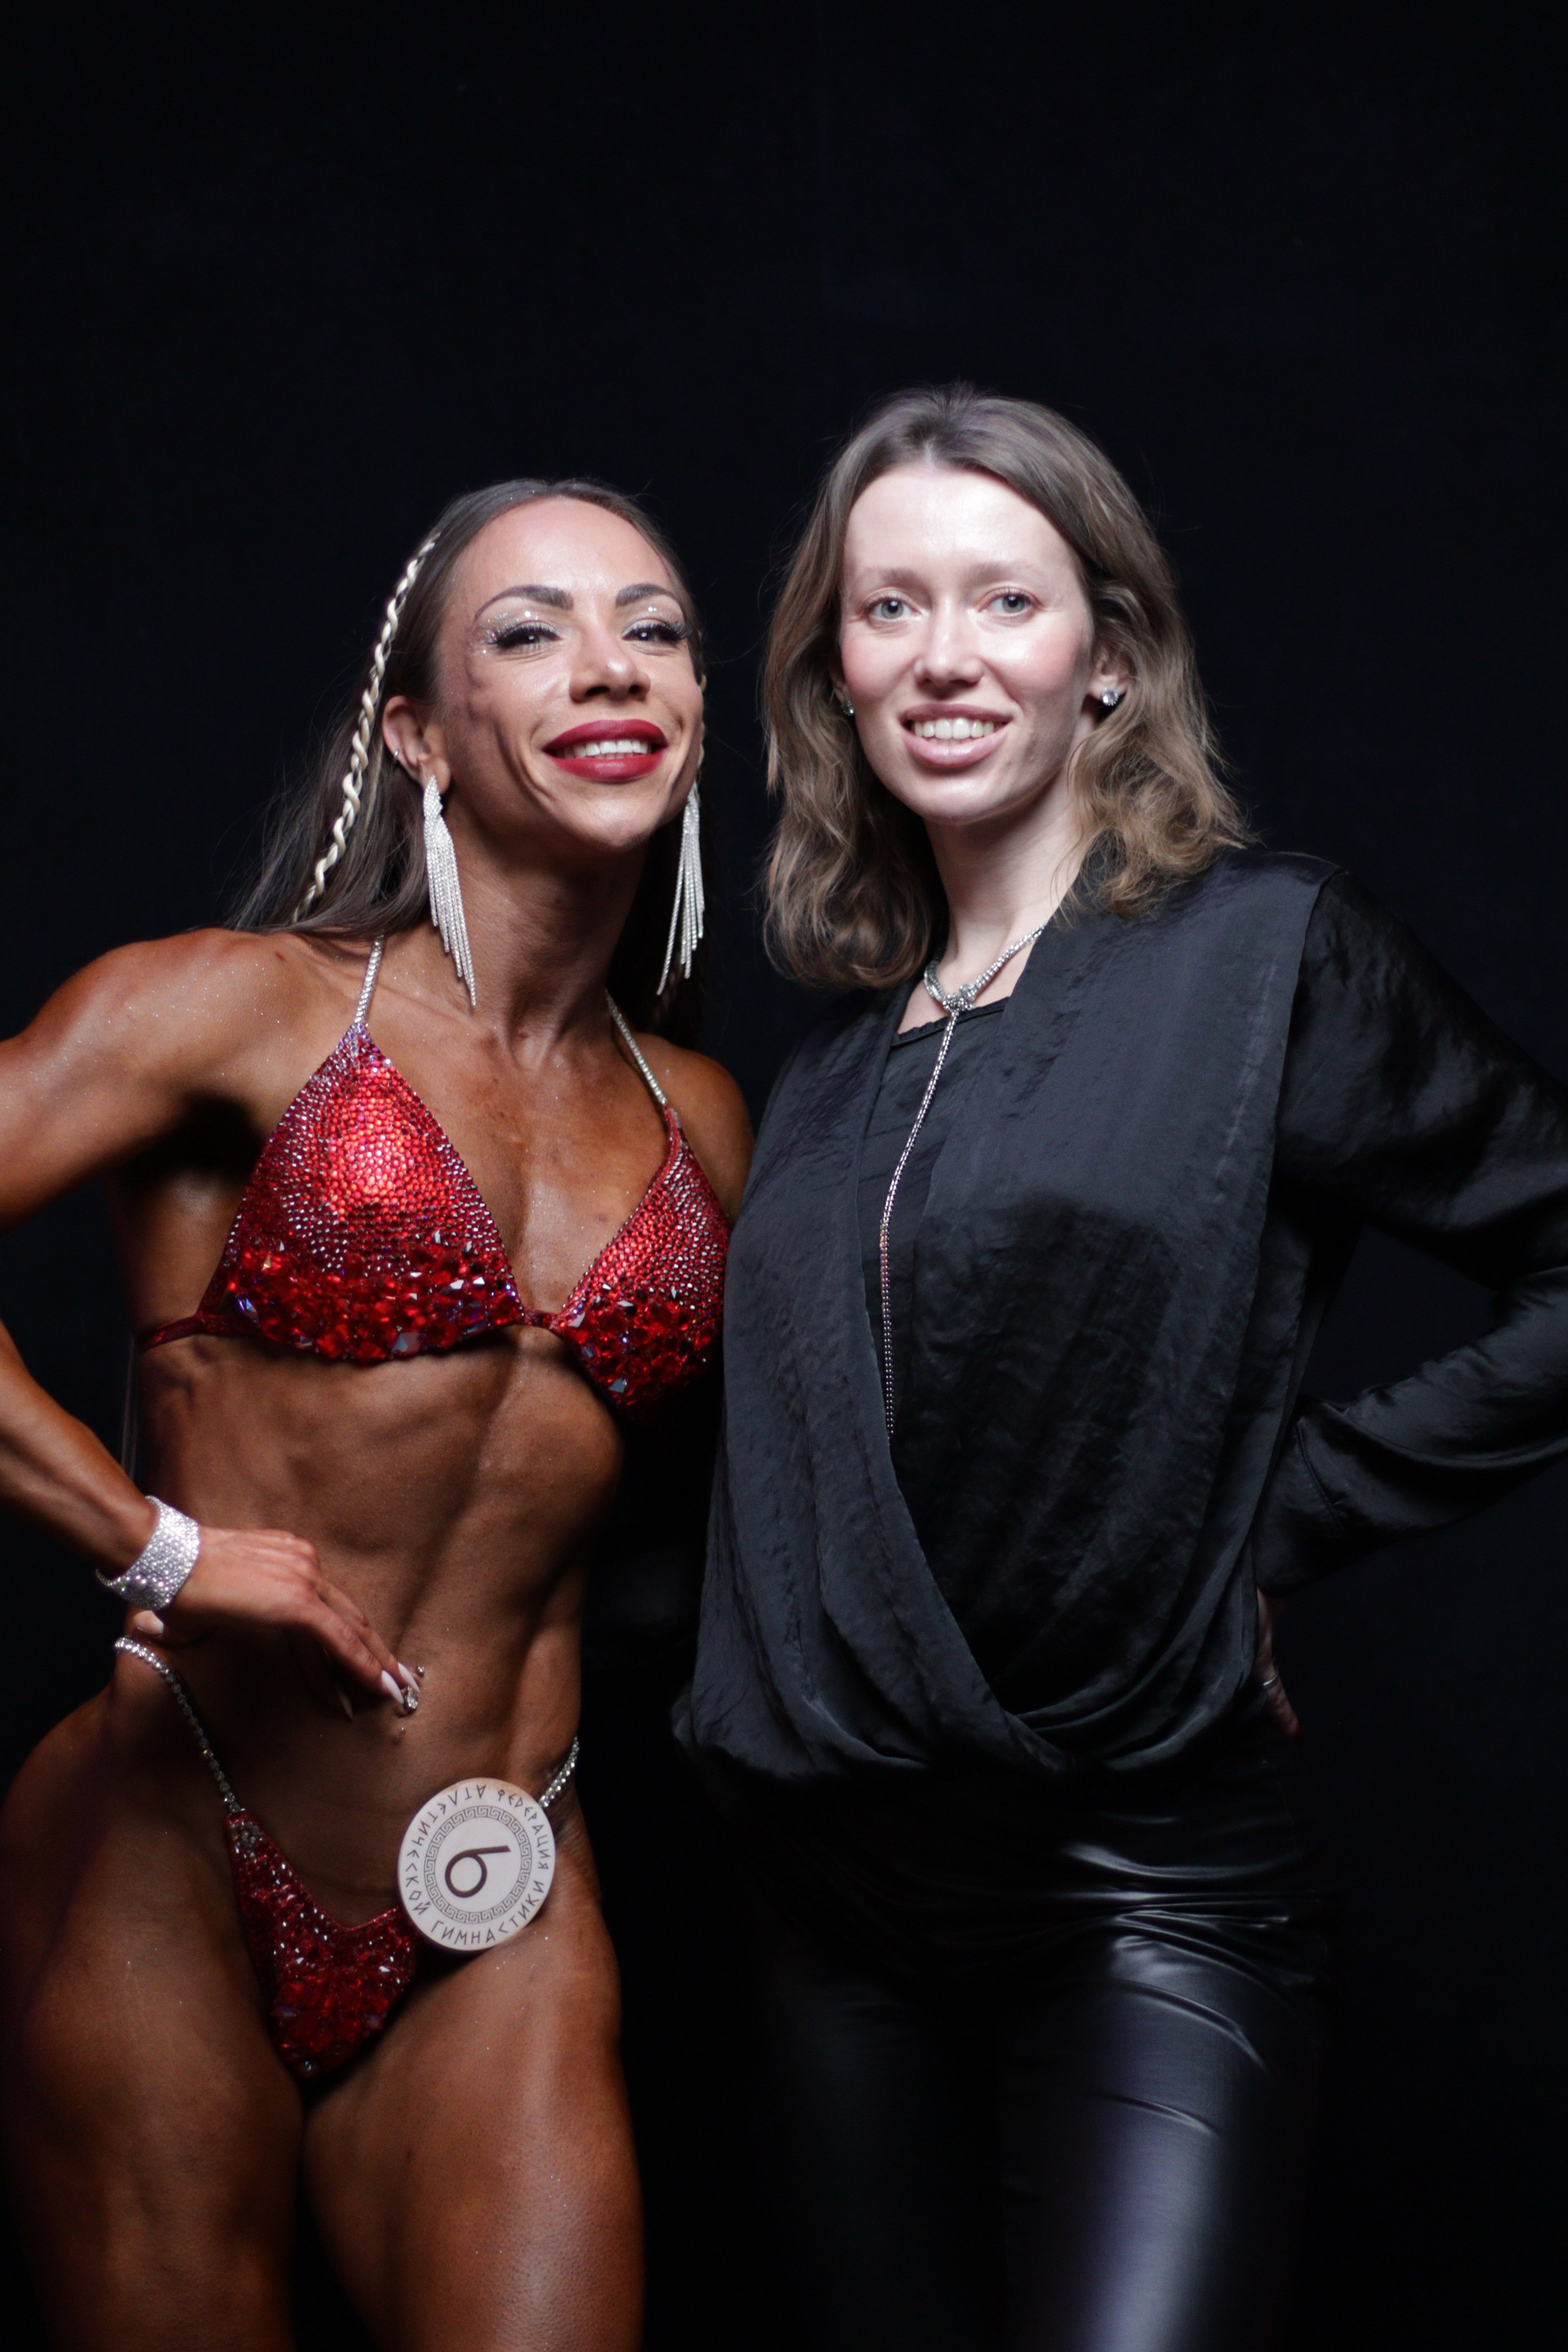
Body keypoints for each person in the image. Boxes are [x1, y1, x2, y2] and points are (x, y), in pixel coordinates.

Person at [684, 386, 1568, 2352]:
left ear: (1107, 654)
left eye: (1004, 599)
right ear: (836, 673)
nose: (945, 655)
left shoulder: (1265, 953)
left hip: (1140, 1884)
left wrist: (1282, 1516)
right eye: (890, 607)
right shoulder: (828, 1072)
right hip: (830, 1914)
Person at [0, 477, 751, 2351]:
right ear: (416, 731)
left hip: (499, 1878)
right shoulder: (227, 1013)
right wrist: (154, 1546)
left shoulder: (706, 1122)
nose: (610, 666)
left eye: (654, 627)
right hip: (176, 1845)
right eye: (531, 630)